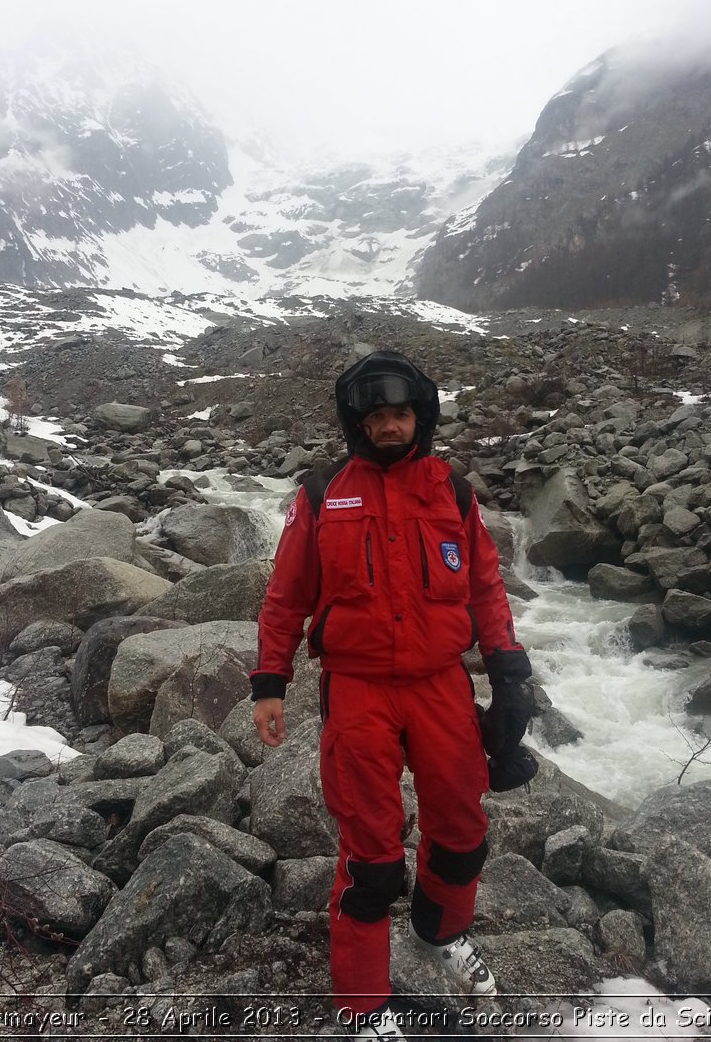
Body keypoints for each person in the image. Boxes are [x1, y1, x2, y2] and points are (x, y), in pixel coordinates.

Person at [250, 350, 533, 1040]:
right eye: (375, 415)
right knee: (371, 860)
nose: (388, 425)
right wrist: (269, 683)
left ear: (420, 416)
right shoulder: (321, 495)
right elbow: (286, 597)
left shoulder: (453, 491)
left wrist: (508, 668)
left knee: (463, 833)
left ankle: (440, 932)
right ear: (357, 422)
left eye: (400, 413)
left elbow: (485, 586)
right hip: (359, 692)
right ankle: (362, 1008)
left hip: (441, 685)